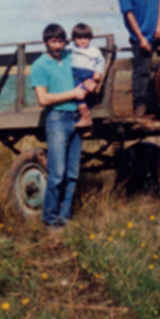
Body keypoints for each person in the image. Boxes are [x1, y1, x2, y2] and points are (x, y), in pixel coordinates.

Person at [30, 23, 88, 229]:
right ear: (46, 42)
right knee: (57, 173)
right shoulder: (40, 65)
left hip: (76, 118)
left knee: (73, 173)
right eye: (53, 41)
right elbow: (43, 99)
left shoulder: (69, 58)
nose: (57, 45)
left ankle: (64, 218)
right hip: (57, 119)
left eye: (60, 41)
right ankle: (50, 220)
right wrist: (73, 94)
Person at [69, 22, 106, 130]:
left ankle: (86, 118)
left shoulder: (94, 51)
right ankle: (86, 120)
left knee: (80, 94)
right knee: (74, 93)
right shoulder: (71, 48)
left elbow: (101, 62)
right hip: (74, 75)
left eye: (86, 38)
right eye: (79, 38)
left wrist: (98, 72)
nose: (82, 41)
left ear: (90, 38)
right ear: (74, 39)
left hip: (88, 75)